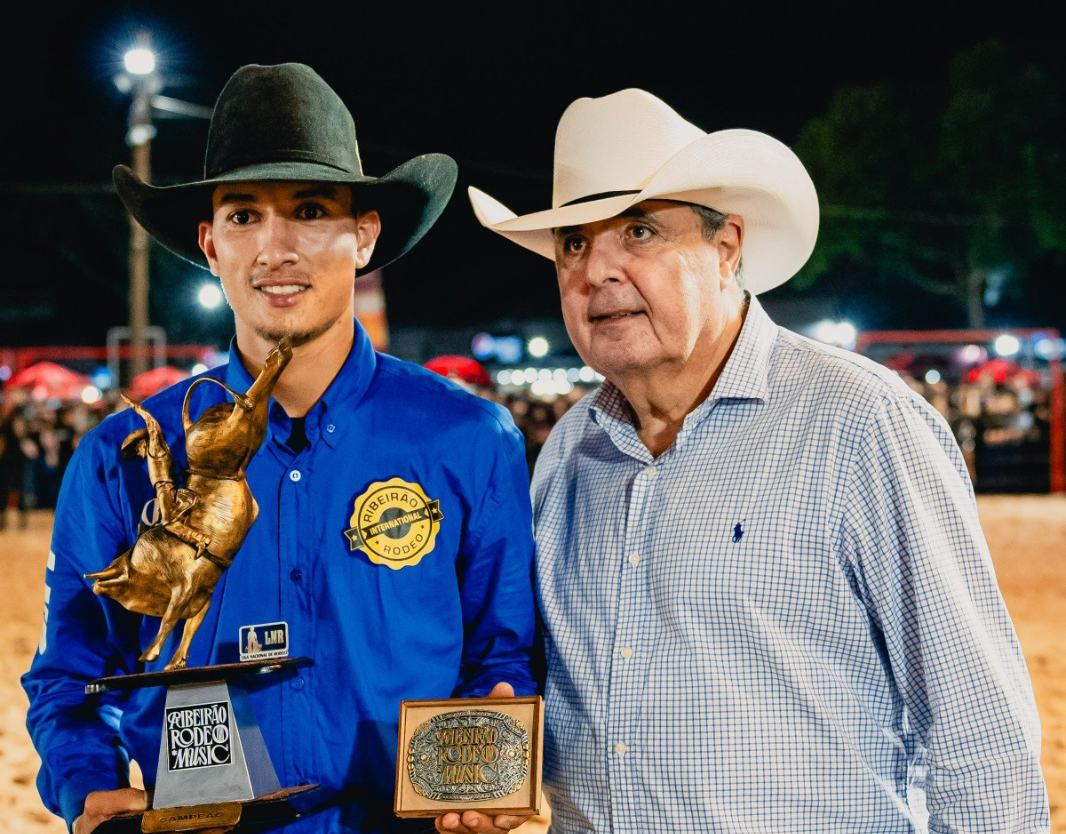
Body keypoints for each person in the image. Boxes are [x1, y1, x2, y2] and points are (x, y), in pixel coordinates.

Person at [450, 89, 1050, 833]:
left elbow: (978, 734)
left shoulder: (859, 424)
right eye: (573, 241)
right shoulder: (568, 454)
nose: (595, 269)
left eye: (638, 231)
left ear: (727, 246)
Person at [23, 63, 536, 834]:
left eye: (308, 209)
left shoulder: (466, 438)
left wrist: (492, 746)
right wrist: (89, 780)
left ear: (364, 235)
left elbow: (501, 655)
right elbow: (69, 671)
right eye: (242, 215)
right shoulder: (123, 455)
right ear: (209, 244)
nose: (275, 247)